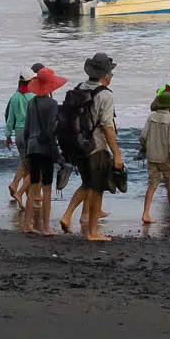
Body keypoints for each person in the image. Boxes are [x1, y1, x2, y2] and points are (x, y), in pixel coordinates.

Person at [72, 54, 120, 243]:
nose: (111, 76)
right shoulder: (105, 94)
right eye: (111, 73)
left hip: (79, 144)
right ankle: (93, 231)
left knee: (88, 184)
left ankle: (87, 225)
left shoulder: (79, 88)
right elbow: (108, 126)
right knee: (97, 188)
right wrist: (116, 152)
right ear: (105, 75)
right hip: (97, 146)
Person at [19, 68, 66, 234]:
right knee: (46, 187)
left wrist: (26, 149)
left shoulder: (31, 102)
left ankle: (27, 224)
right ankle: (46, 226)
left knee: (33, 186)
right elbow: (52, 130)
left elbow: (25, 130)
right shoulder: (52, 104)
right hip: (45, 148)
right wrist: (58, 154)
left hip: (31, 147)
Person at [140, 65, 170, 226]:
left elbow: (143, 136)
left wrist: (144, 149)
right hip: (167, 158)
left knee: (151, 185)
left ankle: (146, 213)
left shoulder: (151, 116)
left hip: (152, 156)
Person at [5, 65, 41, 200]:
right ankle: (24, 193)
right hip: (30, 134)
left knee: (26, 162)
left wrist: (8, 136)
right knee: (33, 166)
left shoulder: (14, 97)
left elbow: (10, 119)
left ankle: (22, 190)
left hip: (18, 134)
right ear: (30, 81)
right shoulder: (34, 97)